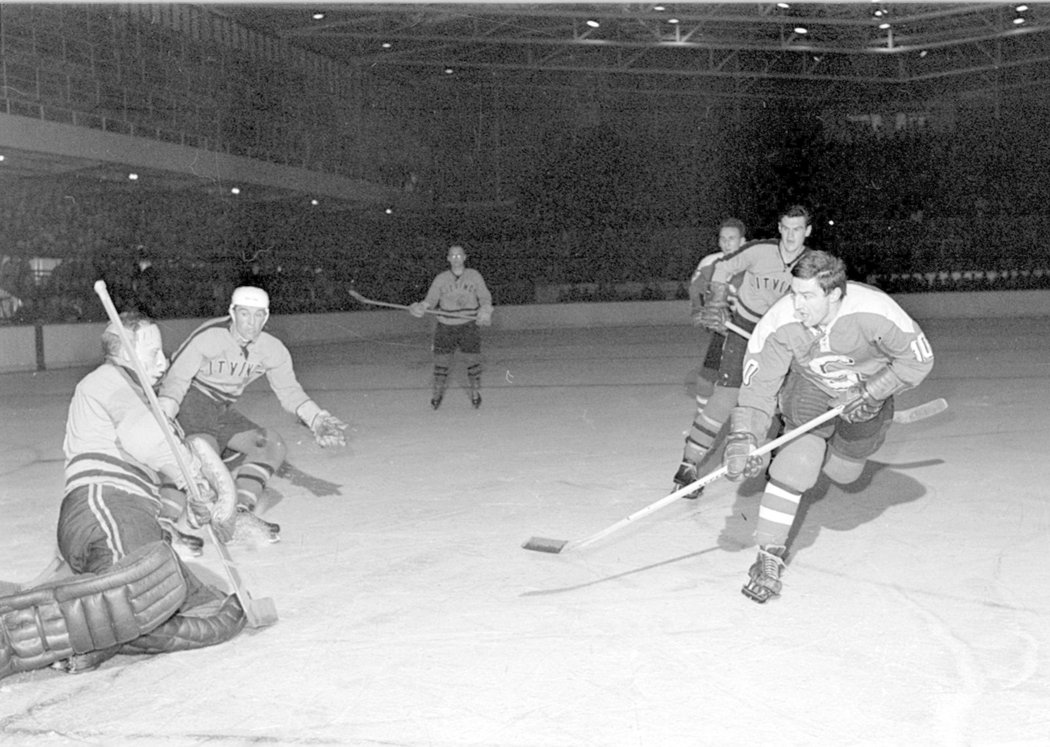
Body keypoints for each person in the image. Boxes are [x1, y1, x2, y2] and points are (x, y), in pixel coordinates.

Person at [1, 312, 244, 681]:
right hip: (108, 508)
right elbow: (147, 440)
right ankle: (58, 639)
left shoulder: (133, 392)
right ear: (126, 353)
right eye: (154, 354)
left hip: (122, 514)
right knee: (136, 603)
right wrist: (190, 476)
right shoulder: (110, 381)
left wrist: (196, 501)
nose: (164, 363)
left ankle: (89, 639)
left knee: (194, 596)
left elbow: (157, 454)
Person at [722, 250, 935, 603]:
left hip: (865, 394)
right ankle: (768, 557)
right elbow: (758, 389)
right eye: (793, 292)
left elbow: (918, 359)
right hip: (810, 388)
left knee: (844, 473)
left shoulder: (875, 311)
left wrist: (872, 391)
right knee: (797, 465)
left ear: (835, 293)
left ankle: (831, 446)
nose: (796, 304)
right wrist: (744, 437)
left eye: (807, 296)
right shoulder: (780, 323)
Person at [157, 286, 348, 541]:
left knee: (271, 444)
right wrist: (167, 409)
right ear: (232, 313)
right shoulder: (209, 337)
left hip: (221, 408)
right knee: (205, 453)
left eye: (259, 315)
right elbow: (177, 378)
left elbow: (289, 391)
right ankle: (170, 516)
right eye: (245, 314)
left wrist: (317, 419)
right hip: (192, 400)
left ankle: (238, 512)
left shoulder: (272, 349)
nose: (251, 323)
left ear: (266, 317)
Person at [673, 205, 813, 497]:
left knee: (782, 404)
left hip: (780, 339)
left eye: (797, 229)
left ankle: (774, 459)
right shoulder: (760, 250)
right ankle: (688, 466)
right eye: (786, 228)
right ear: (779, 228)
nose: (790, 235)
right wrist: (717, 302)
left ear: (807, 231)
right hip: (743, 332)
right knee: (725, 396)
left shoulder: (812, 263)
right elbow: (723, 267)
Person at [409, 244, 493, 409]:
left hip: (468, 325)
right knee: (441, 363)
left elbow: (485, 297)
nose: (456, 259)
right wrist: (421, 307)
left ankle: (475, 392)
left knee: (472, 361)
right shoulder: (441, 278)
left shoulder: (474, 275)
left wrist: (485, 310)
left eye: (459, 255)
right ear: (448, 259)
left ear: (464, 257)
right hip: (446, 326)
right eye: (452, 256)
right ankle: (437, 393)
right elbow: (431, 300)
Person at [688, 217, 747, 409]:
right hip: (724, 332)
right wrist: (700, 311)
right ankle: (702, 421)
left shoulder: (755, 263)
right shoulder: (709, 263)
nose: (726, 243)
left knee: (755, 383)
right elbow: (695, 290)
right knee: (706, 380)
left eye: (731, 238)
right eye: (722, 238)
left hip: (752, 332)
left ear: (742, 241)